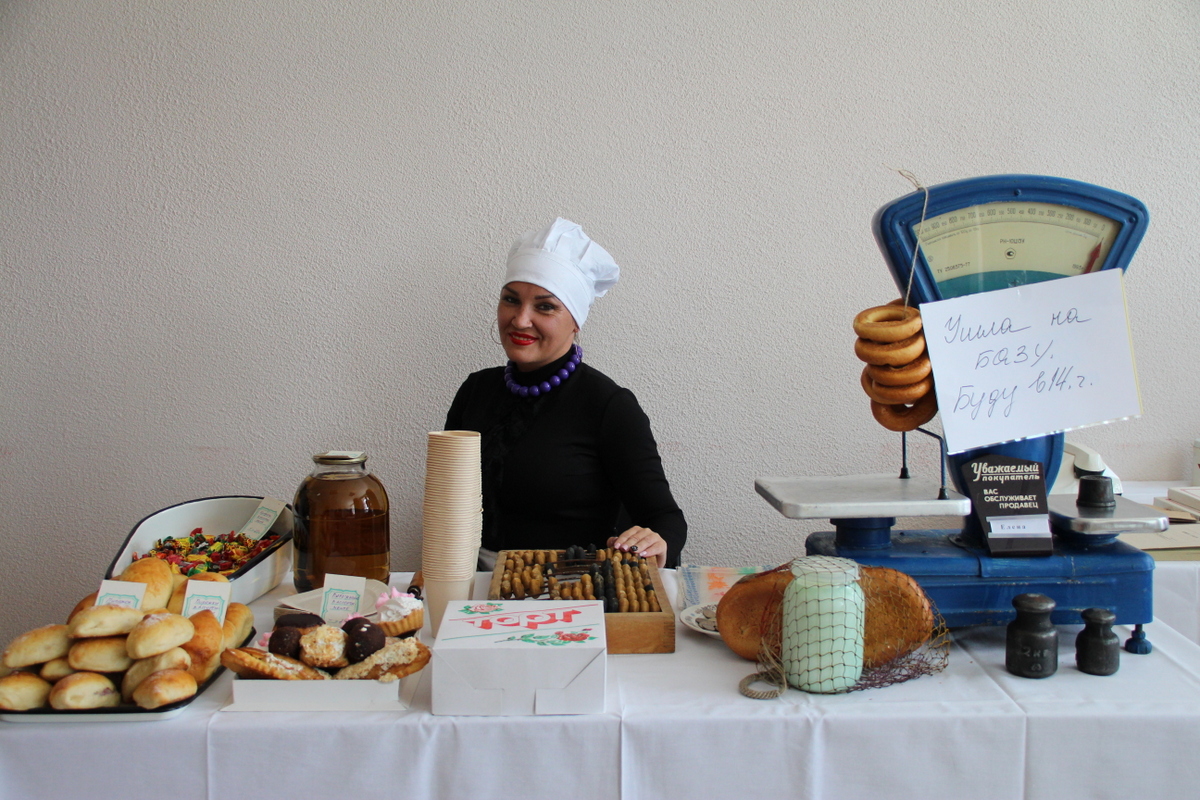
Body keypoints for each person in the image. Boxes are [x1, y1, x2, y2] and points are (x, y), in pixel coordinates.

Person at [445, 217, 687, 569]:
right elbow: (446, 502)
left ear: (575, 320)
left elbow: (665, 519)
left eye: (545, 306)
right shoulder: (475, 391)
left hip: (571, 586)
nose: (520, 319)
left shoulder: (608, 406)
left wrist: (655, 539)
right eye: (511, 300)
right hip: (466, 580)